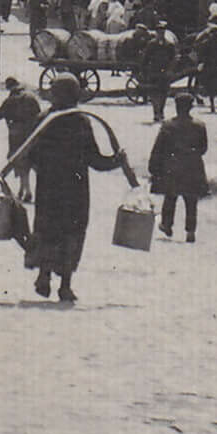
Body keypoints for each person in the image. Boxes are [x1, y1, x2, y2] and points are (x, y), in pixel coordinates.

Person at [9, 76, 134, 304]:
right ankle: (65, 286)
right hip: (75, 189)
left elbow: (30, 154)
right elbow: (95, 159)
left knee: (47, 229)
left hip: (48, 188)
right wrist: (116, 161)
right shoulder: (80, 122)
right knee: (72, 233)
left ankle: (44, 276)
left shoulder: (44, 119)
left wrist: (44, 169)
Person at [148, 92, 210, 241]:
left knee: (170, 197)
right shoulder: (200, 126)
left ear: (176, 107)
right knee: (191, 200)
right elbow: (203, 148)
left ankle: (167, 225)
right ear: (191, 107)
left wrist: (153, 166)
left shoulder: (168, 125)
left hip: (173, 166)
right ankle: (190, 231)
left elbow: (159, 147)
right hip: (193, 167)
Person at [135, 28, 177, 124]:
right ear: (156, 33)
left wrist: (170, 69)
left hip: (165, 72)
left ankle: (161, 111)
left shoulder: (169, 45)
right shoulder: (152, 44)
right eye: (159, 32)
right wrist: (143, 70)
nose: (160, 34)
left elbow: (173, 58)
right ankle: (156, 112)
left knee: (164, 92)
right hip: (154, 71)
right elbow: (146, 58)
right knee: (153, 93)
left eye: (162, 32)